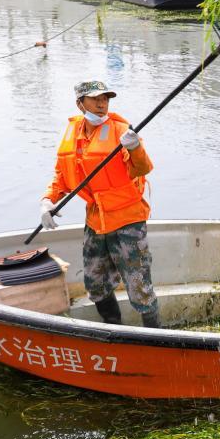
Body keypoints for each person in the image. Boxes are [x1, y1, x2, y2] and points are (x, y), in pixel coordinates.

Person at [39, 80, 160, 328]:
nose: (102, 103)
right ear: (80, 103)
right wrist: (48, 201)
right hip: (96, 221)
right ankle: (113, 328)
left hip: (127, 220)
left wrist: (135, 147)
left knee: (139, 285)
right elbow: (61, 176)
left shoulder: (121, 130)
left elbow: (142, 168)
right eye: (95, 98)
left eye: (105, 98)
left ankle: (155, 335)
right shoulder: (72, 133)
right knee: (95, 282)